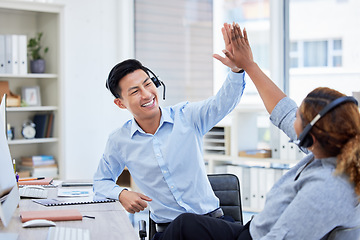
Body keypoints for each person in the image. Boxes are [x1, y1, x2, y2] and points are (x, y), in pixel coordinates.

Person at [157, 23, 360, 240]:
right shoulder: (334, 154)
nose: (293, 118)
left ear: (312, 135)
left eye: (299, 116)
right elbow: (284, 111)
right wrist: (248, 65)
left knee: (181, 230)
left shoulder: (325, 190)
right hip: (255, 229)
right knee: (184, 225)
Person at [92, 34, 247, 235]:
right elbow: (100, 182)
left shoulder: (187, 116)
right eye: (135, 91)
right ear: (120, 103)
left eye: (148, 84)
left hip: (211, 226)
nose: (147, 94)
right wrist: (121, 193)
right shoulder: (119, 140)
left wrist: (236, 70)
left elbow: (223, 103)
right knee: (184, 225)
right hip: (170, 233)